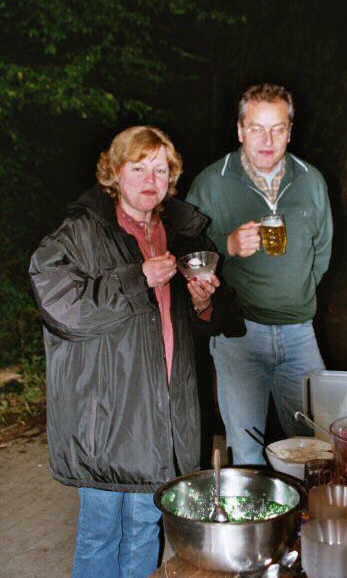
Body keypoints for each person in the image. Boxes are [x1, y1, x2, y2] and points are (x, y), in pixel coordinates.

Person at [29, 125, 244, 578]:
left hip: (163, 413)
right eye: (138, 168)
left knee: (147, 526)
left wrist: (201, 302)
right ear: (114, 173)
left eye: (161, 169)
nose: (151, 179)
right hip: (107, 415)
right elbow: (59, 305)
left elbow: (204, 321)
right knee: (102, 530)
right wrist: (137, 278)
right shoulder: (81, 232)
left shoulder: (183, 233)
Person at [186, 83, 333, 465]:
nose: (267, 140)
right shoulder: (211, 182)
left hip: (299, 335)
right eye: (256, 128)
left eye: (277, 128)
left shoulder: (311, 180)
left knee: (317, 450)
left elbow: (322, 253)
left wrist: (297, 292)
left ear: (290, 131)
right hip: (239, 335)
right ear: (240, 130)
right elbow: (187, 254)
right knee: (246, 452)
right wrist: (228, 245)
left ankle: (304, 508)